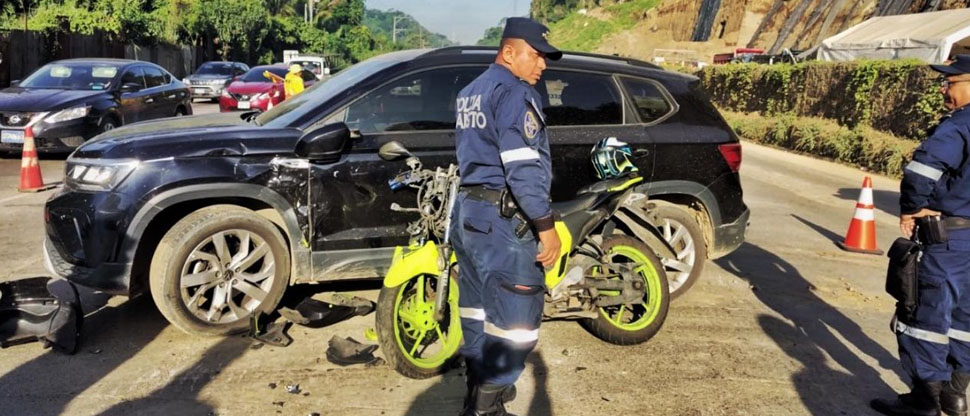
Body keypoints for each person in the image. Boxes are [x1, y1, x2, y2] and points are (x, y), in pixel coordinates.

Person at [449, 17, 562, 416]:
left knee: (477, 308)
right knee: (517, 322)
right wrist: (546, 228)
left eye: (545, 57)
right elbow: (522, 167)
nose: (542, 65)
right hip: (504, 220)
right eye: (536, 55)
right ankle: (487, 407)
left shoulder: (470, 92)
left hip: (470, 213)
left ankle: (476, 392)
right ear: (509, 52)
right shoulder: (514, 93)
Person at [871, 54, 970, 416]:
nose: (945, 90)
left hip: (948, 239)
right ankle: (955, 397)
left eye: (951, 83)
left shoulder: (959, 126)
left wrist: (912, 208)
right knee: (964, 319)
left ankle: (925, 402)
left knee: (924, 318)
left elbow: (921, 172)